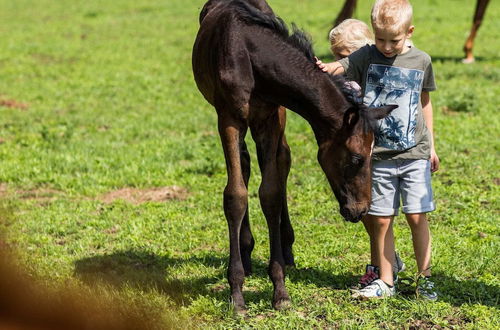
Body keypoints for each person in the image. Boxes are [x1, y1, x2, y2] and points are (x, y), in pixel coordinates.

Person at [317, 0, 439, 300]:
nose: (385, 46)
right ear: (373, 34)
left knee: (416, 216)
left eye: (393, 40)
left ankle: (425, 279)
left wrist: (432, 146)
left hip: (415, 154)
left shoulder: (421, 60)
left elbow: (425, 102)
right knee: (382, 219)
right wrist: (325, 66)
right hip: (379, 157)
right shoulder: (366, 57)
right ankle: (385, 280)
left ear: (409, 32)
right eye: (380, 38)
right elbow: (341, 65)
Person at [328, 18, 408, 289]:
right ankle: (387, 261)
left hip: (379, 155)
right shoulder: (348, 82)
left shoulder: (368, 78)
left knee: (377, 213)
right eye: (335, 56)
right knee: (368, 213)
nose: (338, 63)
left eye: (343, 56)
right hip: (364, 155)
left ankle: (380, 267)